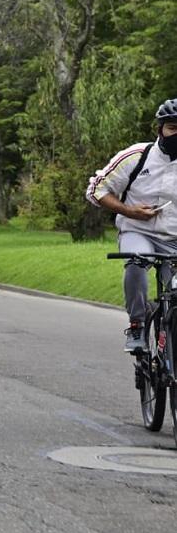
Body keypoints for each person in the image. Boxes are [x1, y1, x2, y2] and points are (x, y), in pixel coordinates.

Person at [86, 98, 177, 352]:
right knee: (136, 262)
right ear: (159, 129)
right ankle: (137, 325)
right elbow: (96, 190)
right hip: (140, 232)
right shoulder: (137, 156)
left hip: (174, 240)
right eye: (172, 128)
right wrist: (129, 211)